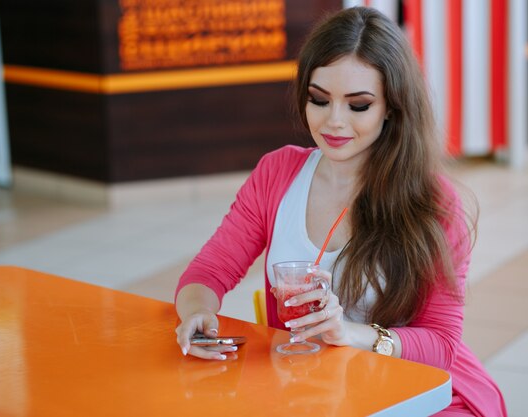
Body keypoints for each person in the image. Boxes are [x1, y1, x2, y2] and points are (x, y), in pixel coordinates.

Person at [174, 6, 506, 416]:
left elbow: (440, 346)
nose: (334, 121)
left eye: (358, 105)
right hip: (313, 389)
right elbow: (209, 272)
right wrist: (198, 314)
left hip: (422, 392)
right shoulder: (277, 173)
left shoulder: (434, 202)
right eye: (319, 99)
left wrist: (351, 333)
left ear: (391, 107)